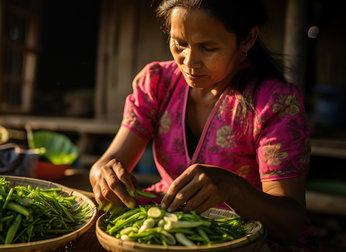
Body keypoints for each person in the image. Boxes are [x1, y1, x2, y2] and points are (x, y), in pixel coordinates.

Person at [90, 0, 318, 250]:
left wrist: (234, 190)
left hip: (247, 239)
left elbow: (290, 223)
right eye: (180, 44)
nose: (189, 62)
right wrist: (104, 175)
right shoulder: (157, 83)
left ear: (247, 40)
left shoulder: (274, 103)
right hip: (169, 225)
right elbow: (108, 162)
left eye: (208, 48)